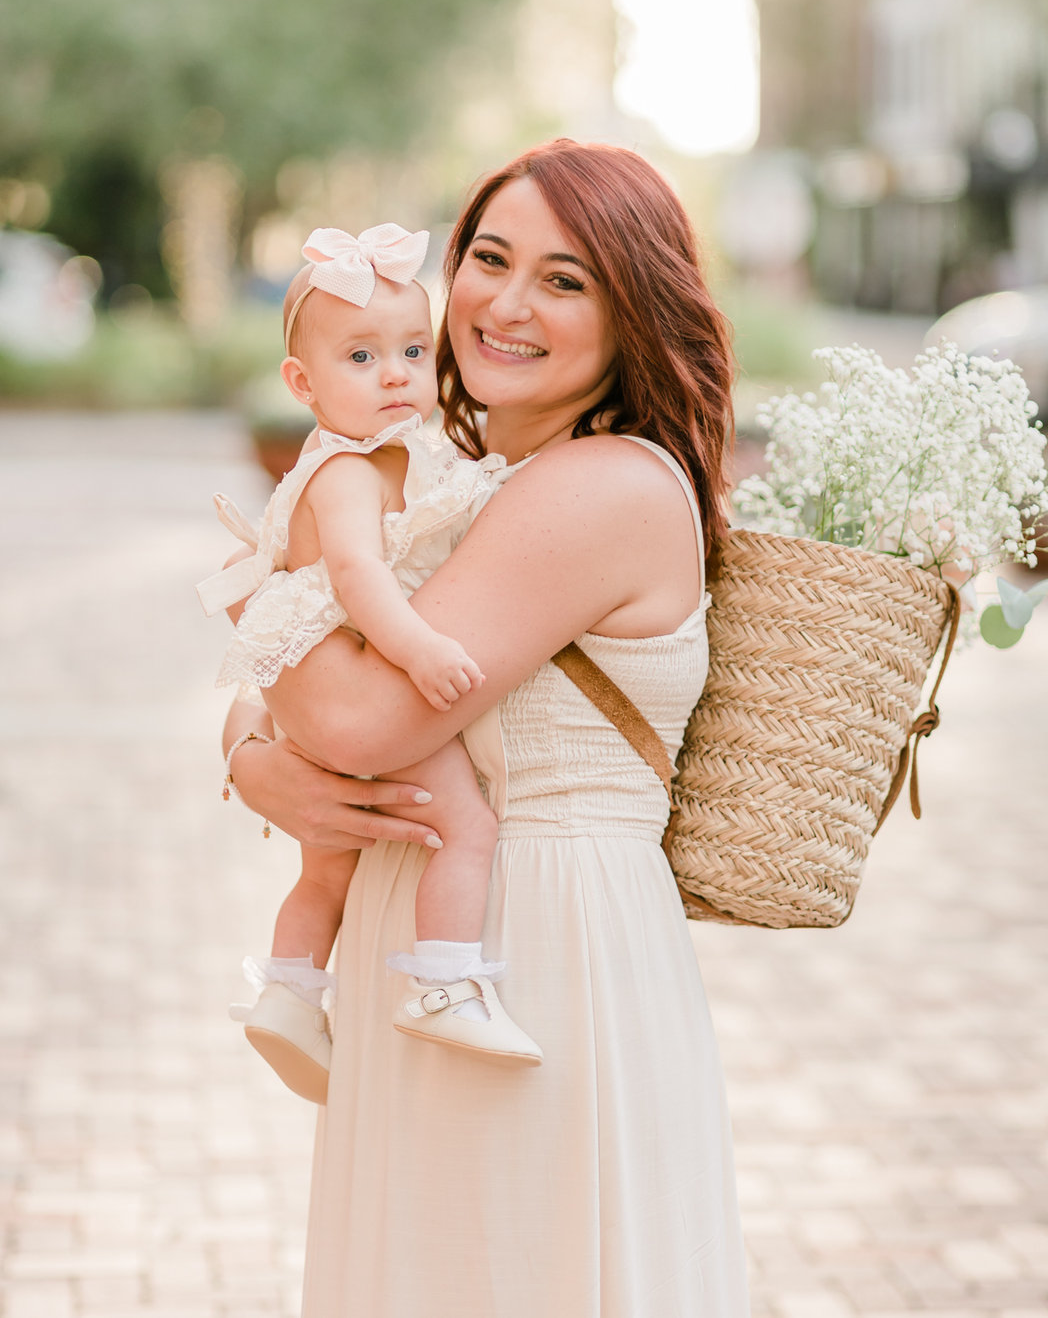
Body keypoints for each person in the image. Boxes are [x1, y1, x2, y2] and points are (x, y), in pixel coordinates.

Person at [223, 140, 750, 1318]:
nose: (505, 304)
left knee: (514, 1267)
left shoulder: (597, 485)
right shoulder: (473, 475)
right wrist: (252, 754)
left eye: (564, 281)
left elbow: (355, 711)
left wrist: (261, 633)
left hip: (536, 943)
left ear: (635, 310)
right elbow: (311, 699)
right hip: (439, 936)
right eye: (490, 259)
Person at [200, 222, 540, 1101]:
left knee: (327, 864)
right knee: (462, 825)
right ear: (302, 385)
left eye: (412, 351)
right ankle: (444, 981)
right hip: (353, 659)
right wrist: (420, 648)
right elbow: (355, 576)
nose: (394, 374)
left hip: (312, 674)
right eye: (361, 356)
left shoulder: (389, 455)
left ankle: (288, 990)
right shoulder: (348, 470)